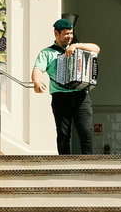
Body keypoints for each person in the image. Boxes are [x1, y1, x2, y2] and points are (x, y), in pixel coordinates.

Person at [32, 18, 100, 154]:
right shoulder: (47, 53)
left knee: (86, 131)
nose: (69, 37)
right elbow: (38, 69)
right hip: (60, 97)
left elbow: (96, 49)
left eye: (71, 33)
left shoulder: (77, 47)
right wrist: (36, 81)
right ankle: (64, 164)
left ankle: (89, 163)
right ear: (56, 33)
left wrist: (76, 46)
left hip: (81, 95)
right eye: (66, 33)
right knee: (63, 133)